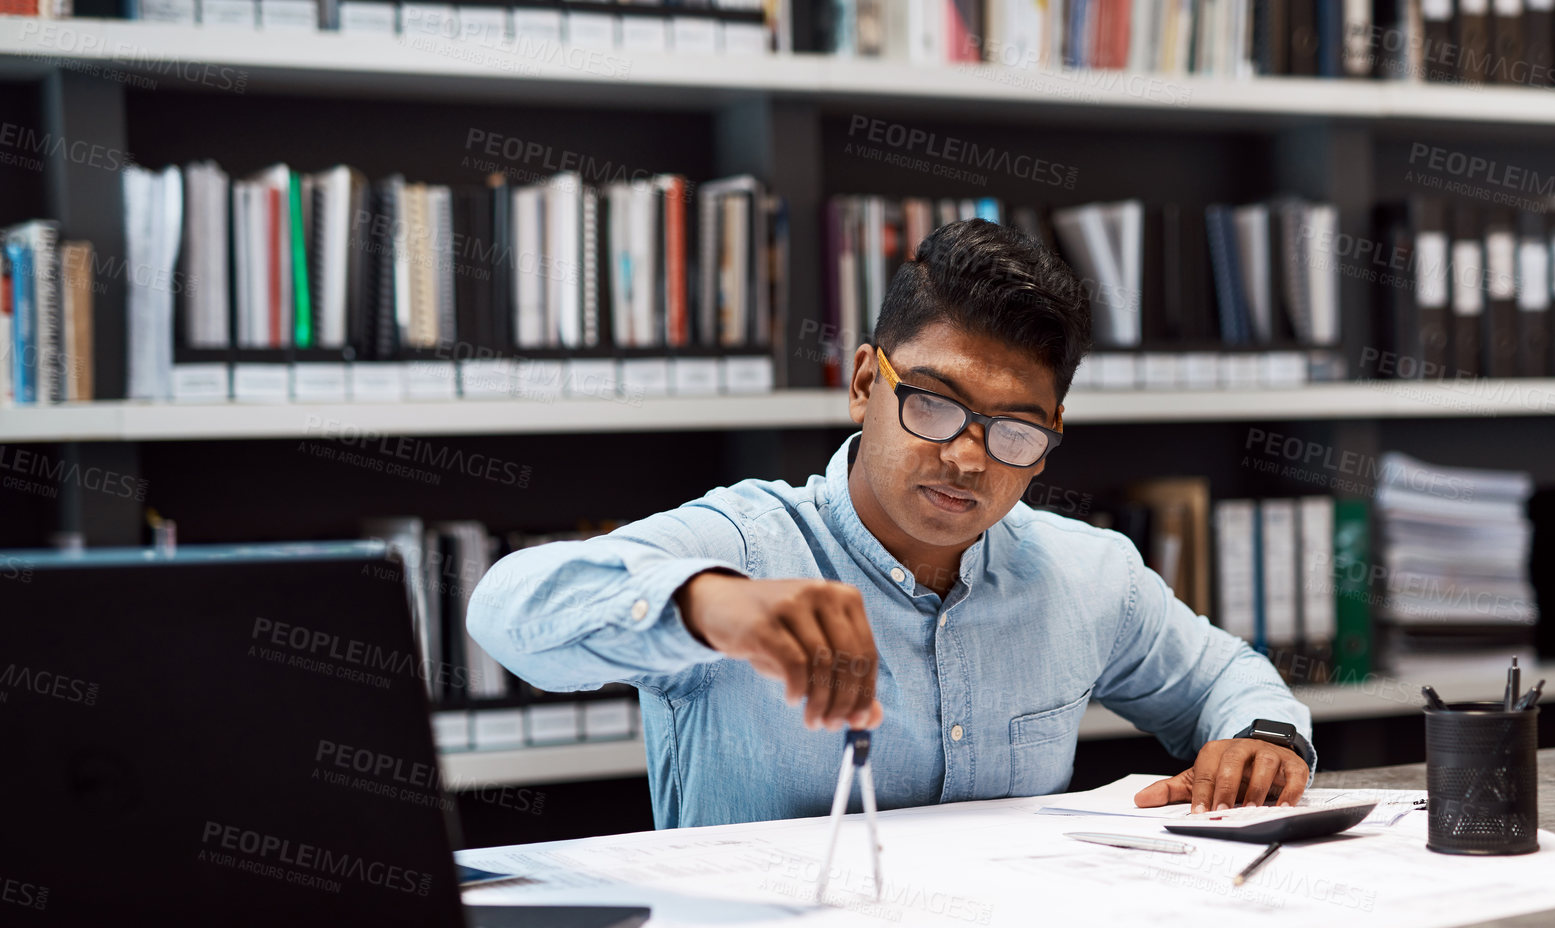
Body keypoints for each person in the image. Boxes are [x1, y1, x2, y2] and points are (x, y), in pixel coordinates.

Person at [468, 218, 1315, 829]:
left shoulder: (1089, 576)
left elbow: (1224, 679)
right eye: (935, 405)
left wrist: (1264, 739)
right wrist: (711, 606)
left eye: (1015, 430)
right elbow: (508, 609)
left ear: (1050, 440)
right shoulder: (749, 543)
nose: (968, 460)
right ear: (866, 383)